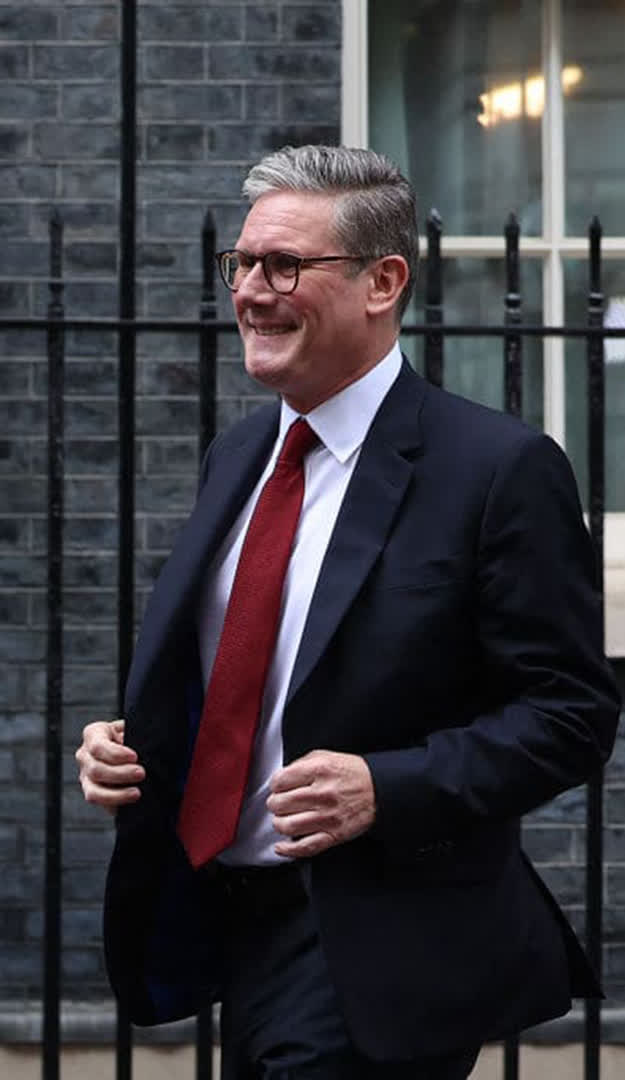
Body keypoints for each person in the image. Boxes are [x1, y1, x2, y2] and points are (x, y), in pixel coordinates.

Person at [76, 145, 621, 1079]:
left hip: (376, 937)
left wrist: (389, 785)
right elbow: (243, 665)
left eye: (283, 265)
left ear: (384, 282)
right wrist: (125, 745)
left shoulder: (494, 471)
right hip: (225, 915)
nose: (250, 290)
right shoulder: (239, 456)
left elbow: (571, 714)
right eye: (240, 264)